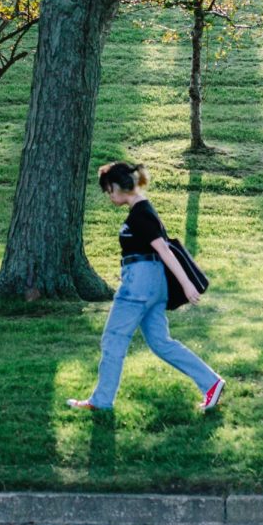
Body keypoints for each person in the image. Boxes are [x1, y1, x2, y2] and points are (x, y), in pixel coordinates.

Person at [67, 162, 225, 412]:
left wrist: (186, 284)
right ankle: (211, 383)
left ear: (119, 186)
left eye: (109, 190)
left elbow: (163, 248)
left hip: (140, 282)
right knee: (161, 342)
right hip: (153, 284)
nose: (109, 196)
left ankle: (100, 402)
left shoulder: (141, 212)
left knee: (114, 338)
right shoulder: (142, 210)